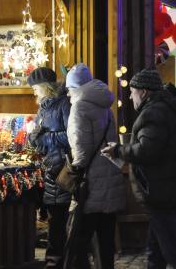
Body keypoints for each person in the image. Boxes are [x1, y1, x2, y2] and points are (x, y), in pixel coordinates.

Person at [102, 69, 176, 269]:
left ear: (144, 92)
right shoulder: (171, 107)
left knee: (174, 251)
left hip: (162, 190)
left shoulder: (154, 113)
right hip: (175, 185)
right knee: (156, 250)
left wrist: (119, 151)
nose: (130, 96)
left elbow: (147, 151)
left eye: (133, 91)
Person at [65, 63, 125, 269]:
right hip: (109, 175)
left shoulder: (79, 107)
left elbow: (80, 146)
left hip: (90, 180)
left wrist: (76, 170)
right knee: (105, 238)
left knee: (79, 237)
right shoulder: (105, 105)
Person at [27, 67, 71, 269]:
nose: (34, 92)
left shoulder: (63, 105)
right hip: (51, 167)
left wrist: (45, 138)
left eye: (35, 88)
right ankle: (55, 259)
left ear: (45, 87)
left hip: (63, 169)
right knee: (55, 217)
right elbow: (41, 133)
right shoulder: (44, 107)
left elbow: (71, 136)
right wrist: (33, 137)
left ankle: (57, 260)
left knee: (59, 218)